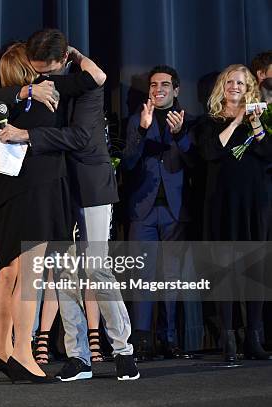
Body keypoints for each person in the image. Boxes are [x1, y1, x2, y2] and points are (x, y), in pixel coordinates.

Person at [0, 29, 138, 381]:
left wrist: (27, 135)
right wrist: (26, 91)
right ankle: (79, 354)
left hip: (90, 186)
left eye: (47, 69)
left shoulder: (82, 85)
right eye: (36, 70)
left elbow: (81, 135)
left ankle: (123, 348)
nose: (43, 76)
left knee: (96, 267)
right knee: (65, 273)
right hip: (57, 189)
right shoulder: (38, 87)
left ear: (62, 59)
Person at [123, 65, 202, 359]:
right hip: (142, 211)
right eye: (154, 85)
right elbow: (128, 164)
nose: (159, 89)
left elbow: (196, 163)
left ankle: (169, 339)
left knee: (171, 278)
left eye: (165, 85)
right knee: (142, 278)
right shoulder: (135, 120)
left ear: (176, 90)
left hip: (175, 210)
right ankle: (142, 342)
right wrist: (143, 131)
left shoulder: (189, 122)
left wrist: (180, 135)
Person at [195, 64, 271, 362]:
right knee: (223, 271)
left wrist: (253, 124)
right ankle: (227, 338)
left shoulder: (261, 122)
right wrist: (236, 120)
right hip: (221, 203)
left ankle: (253, 337)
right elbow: (211, 152)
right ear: (221, 87)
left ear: (250, 87)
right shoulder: (209, 121)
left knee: (256, 271)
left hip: (254, 204)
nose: (235, 87)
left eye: (241, 82)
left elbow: (269, 155)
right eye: (230, 82)